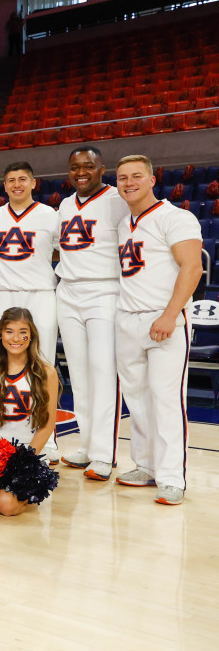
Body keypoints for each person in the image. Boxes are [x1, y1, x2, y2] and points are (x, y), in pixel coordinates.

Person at [113, 155, 202, 506]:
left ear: (152, 180)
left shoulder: (176, 217)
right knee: (137, 400)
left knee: (167, 400)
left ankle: (171, 478)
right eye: (122, 177)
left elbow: (192, 268)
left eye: (136, 176)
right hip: (128, 318)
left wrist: (170, 314)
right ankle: (147, 466)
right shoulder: (124, 223)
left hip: (163, 320)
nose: (129, 182)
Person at [56, 146, 127, 479]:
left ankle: (105, 453)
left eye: (88, 166)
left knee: (102, 373)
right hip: (68, 292)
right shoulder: (66, 204)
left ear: (102, 168)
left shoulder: (117, 201)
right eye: (75, 167)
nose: (80, 172)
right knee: (80, 376)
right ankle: (88, 443)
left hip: (104, 291)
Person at [0, 161, 60, 464]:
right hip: (4, 293)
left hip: (41, 293)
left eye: (22, 179)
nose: (17, 184)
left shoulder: (50, 215)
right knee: (3, 362)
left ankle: (46, 438)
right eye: (11, 180)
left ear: (33, 183)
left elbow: (58, 250)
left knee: (43, 363)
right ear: (4, 186)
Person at [0, 307, 59, 516]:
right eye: (9, 331)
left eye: (22, 332)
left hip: (26, 453)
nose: (16, 338)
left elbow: (47, 424)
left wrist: (26, 459)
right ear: (0, 335)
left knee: (5, 504)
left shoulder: (46, 372)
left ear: (31, 336)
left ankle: (22, 493)